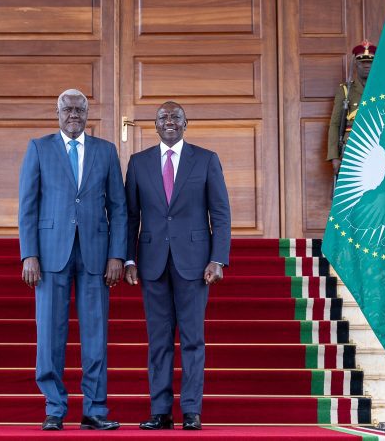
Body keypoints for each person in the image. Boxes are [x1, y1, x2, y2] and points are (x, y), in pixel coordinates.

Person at [18, 89, 127, 432]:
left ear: (88, 113)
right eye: (68, 109)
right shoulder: (39, 148)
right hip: (50, 254)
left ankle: (95, 408)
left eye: (80, 109)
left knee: (95, 334)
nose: (74, 114)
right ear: (57, 113)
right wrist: (29, 254)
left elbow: (120, 209)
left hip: (96, 255)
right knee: (50, 333)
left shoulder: (106, 151)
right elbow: (28, 206)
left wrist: (117, 255)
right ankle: (54, 407)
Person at [123, 101, 232, 431]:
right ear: (155, 126)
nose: (169, 122)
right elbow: (130, 217)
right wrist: (128, 258)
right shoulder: (138, 163)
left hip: (195, 264)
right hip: (152, 263)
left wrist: (217, 258)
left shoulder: (206, 159)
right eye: (162, 118)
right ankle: (160, 411)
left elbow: (221, 214)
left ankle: (191, 411)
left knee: (192, 339)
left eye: (175, 117)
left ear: (186, 124)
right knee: (158, 341)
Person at [327, 39, 376, 177]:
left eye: (370, 62)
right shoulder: (345, 90)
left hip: (378, 148)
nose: (366, 65)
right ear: (356, 64)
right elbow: (335, 124)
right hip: (351, 150)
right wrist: (334, 156)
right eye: (362, 62)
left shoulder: (382, 92)